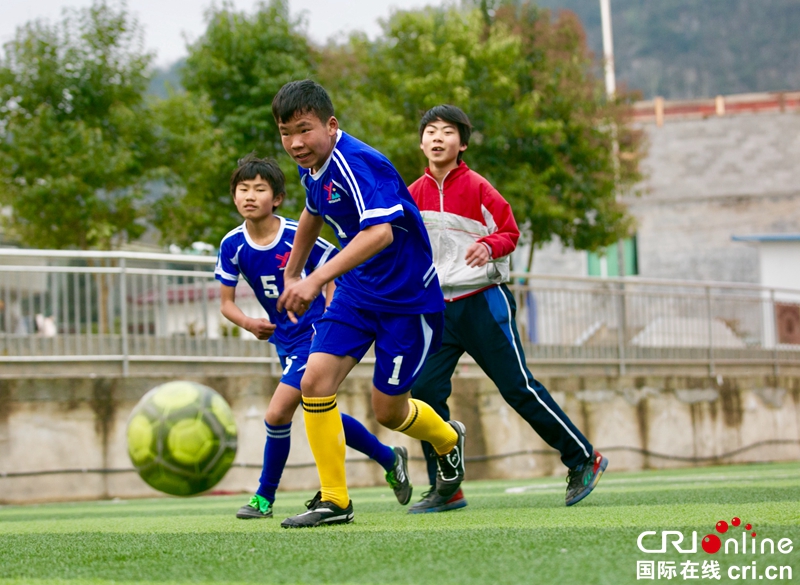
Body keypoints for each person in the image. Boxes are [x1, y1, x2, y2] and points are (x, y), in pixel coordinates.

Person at [272, 80, 466, 528]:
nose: (296, 143)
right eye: (286, 132)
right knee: (314, 382)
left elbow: (378, 234)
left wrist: (317, 277)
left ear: (331, 125)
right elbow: (313, 210)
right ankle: (336, 501)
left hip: (407, 301)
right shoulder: (313, 165)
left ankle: (446, 439)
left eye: (304, 129)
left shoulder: (357, 163)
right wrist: (292, 271)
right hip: (358, 294)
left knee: (389, 412)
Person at [407, 105, 608, 513]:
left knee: (519, 388)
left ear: (462, 143)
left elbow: (509, 232)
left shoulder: (479, 187)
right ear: (422, 141)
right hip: (437, 308)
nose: (438, 137)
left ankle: (583, 457)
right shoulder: (411, 194)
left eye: (448, 131)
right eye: (431, 131)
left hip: (483, 300)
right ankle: (447, 487)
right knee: (424, 394)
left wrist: (487, 245)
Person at [215, 154, 413, 520]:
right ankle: (389, 457)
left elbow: (335, 274)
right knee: (318, 409)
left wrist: (330, 324)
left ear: (276, 198)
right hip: (284, 341)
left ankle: (263, 498)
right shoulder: (232, 245)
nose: (250, 196)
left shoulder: (296, 236)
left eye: (260, 189)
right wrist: (248, 323)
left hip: (314, 335)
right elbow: (225, 303)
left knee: (277, 414)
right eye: (243, 189)